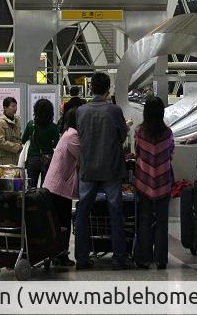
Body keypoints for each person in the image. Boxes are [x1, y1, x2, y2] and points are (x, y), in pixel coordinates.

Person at [74, 71, 131, 270]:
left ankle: (82, 258)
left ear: (91, 88)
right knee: (115, 212)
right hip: (111, 168)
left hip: (89, 168)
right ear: (108, 90)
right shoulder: (114, 111)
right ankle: (118, 259)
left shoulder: (81, 111)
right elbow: (122, 137)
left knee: (82, 212)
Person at [133, 97, 174, 270]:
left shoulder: (139, 132)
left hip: (144, 181)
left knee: (144, 220)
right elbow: (171, 152)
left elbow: (137, 151)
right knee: (162, 222)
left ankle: (144, 259)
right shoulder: (168, 133)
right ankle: (161, 260)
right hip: (164, 181)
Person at [42, 106, 80, 268]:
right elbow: (83, 156)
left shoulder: (67, 133)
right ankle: (60, 256)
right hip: (59, 187)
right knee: (62, 222)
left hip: (54, 185)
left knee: (57, 222)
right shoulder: (73, 136)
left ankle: (57, 254)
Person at [21, 98, 60, 187]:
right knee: (46, 186)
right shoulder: (54, 127)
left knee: (31, 185)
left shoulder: (31, 124)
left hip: (33, 158)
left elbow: (23, 140)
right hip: (48, 158)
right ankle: (44, 200)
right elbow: (56, 145)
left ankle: (31, 200)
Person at [0, 96, 22, 165]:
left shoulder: (17, 120)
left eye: (16, 106)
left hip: (18, 157)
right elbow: (0, 141)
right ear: (5, 108)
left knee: (18, 175)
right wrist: (16, 147)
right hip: (6, 158)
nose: (15, 108)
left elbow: (19, 137)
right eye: (12, 106)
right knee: (8, 175)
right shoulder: (1, 122)